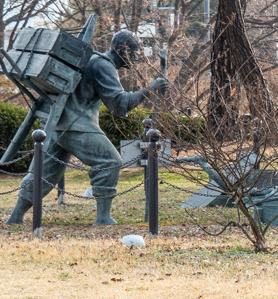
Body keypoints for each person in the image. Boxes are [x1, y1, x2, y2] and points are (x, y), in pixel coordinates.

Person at [5, 30, 167, 226]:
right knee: (110, 161)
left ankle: (15, 217)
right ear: (123, 50)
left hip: (56, 124)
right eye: (134, 52)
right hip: (76, 126)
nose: (135, 57)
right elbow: (120, 104)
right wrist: (150, 88)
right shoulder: (103, 65)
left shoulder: (93, 59)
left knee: (45, 172)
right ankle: (103, 217)